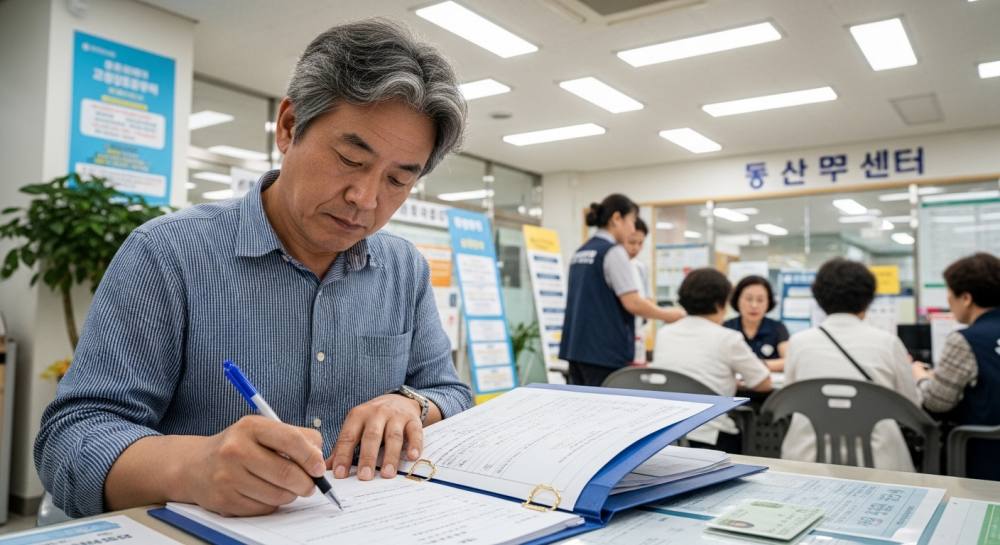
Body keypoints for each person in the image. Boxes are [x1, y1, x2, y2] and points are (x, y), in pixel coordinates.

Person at [34, 20, 473, 518]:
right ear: (288, 127)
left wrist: (408, 404)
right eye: (351, 159)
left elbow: (452, 393)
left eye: (398, 179)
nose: (366, 199)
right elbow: (70, 440)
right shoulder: (167, 255)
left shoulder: (403, 269)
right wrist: (192, 467)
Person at [781, 258, 920, 471]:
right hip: (879, 463)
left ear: (819, 299)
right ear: (868, 299)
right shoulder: (888, 343)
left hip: (806, 462)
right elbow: (911, 408)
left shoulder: (798, 343)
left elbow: (789, 400)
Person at [560, 195, 684, 386]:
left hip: (576, 349)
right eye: (632, 221)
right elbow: (632, 302)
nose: (633, 229)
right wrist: (668, 315)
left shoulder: (581, 251)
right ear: (617, 218)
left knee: (582, 410)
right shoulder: (613, 252)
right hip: (603, 352)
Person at [651, 268, 772, 452]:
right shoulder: (727, 338)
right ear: (721, 303)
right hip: (711, 439)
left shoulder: (664, 333)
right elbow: (764, 383)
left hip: (666, 436)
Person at [911, 252, 1000, 480]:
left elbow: (936, 402)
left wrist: (920, 375)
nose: (948, 301)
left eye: (949, 294)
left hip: (985, 462)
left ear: (966, 298)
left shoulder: (965, 340)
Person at [724, 275, 790, 371]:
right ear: (737, 300)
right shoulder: (726, 327)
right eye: (749, 299)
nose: (754, 305)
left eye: (760, 300)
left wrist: (755, 366)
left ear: (768, 302)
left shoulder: (778, 327)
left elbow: (789, 361)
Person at [623, 217, 651, 365]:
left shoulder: (641, 267)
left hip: (639, 330)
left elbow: (646, 298)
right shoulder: (614, 264)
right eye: (632, 242)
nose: (636, 248)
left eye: (640, 243)